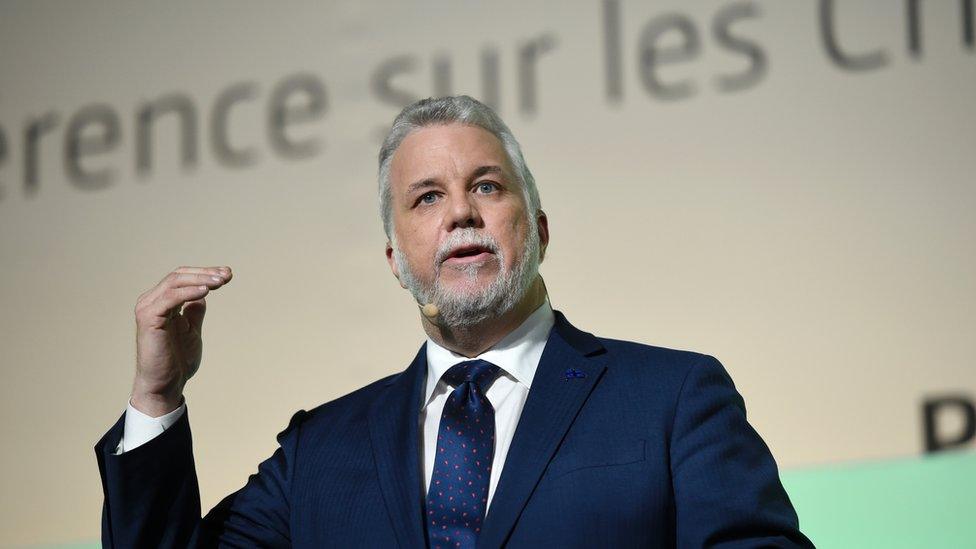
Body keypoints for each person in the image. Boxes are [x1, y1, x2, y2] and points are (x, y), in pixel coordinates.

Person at [95, 95, 814, 548]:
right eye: (427, 197)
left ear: (537, 226)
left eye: (486, 186)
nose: (461, 212)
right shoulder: (319, 451)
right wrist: (157, 397)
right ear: (395, 258)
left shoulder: (673, 398)